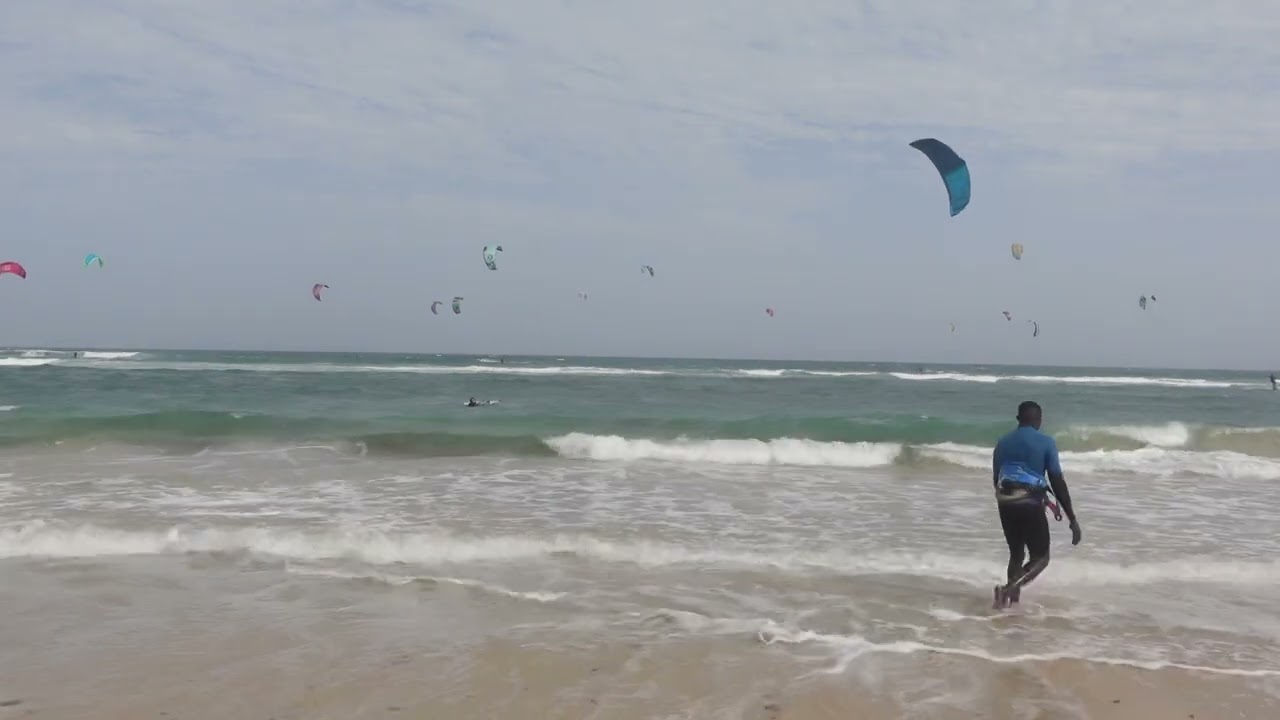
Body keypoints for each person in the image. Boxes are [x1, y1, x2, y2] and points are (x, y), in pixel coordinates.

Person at [991, 401, 1081, 608]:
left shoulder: (1002, 442)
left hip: (1005, 501)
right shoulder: (1046, 442)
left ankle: (1010, 605)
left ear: (1018, 419)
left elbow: (997, 478)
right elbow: (1057, 481)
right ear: (1039, 420)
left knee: (1016, 553)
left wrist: (1037, 496)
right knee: (1041, 558)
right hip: (1029, 503)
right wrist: (1072, 519)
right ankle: (1009, 589)